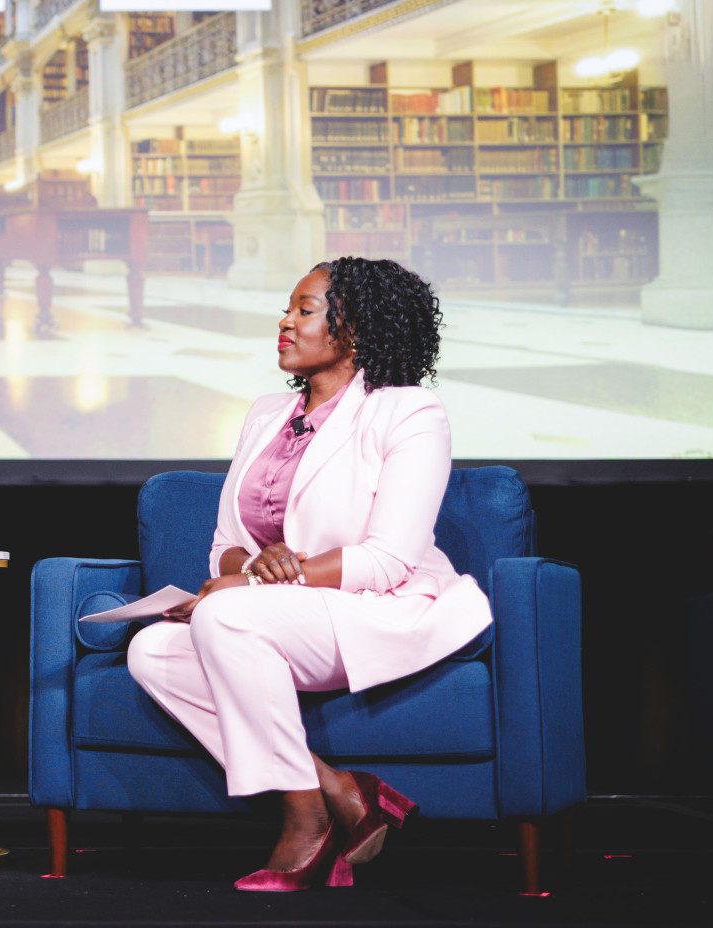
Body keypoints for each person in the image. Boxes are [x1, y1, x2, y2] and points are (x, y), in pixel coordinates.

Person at [128, 257, 490, 892]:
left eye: (305, 310)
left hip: (375, 604)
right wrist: (250, 568)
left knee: (224, 614)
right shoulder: (265, 414)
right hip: (275, 611)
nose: (285, 323)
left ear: (355, 329)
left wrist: (255, 584)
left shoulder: (408, 412)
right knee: (153, 650)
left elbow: (386, 559)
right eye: (286, 309)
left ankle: (305, 820)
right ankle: (342, 791)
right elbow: (226, 548)